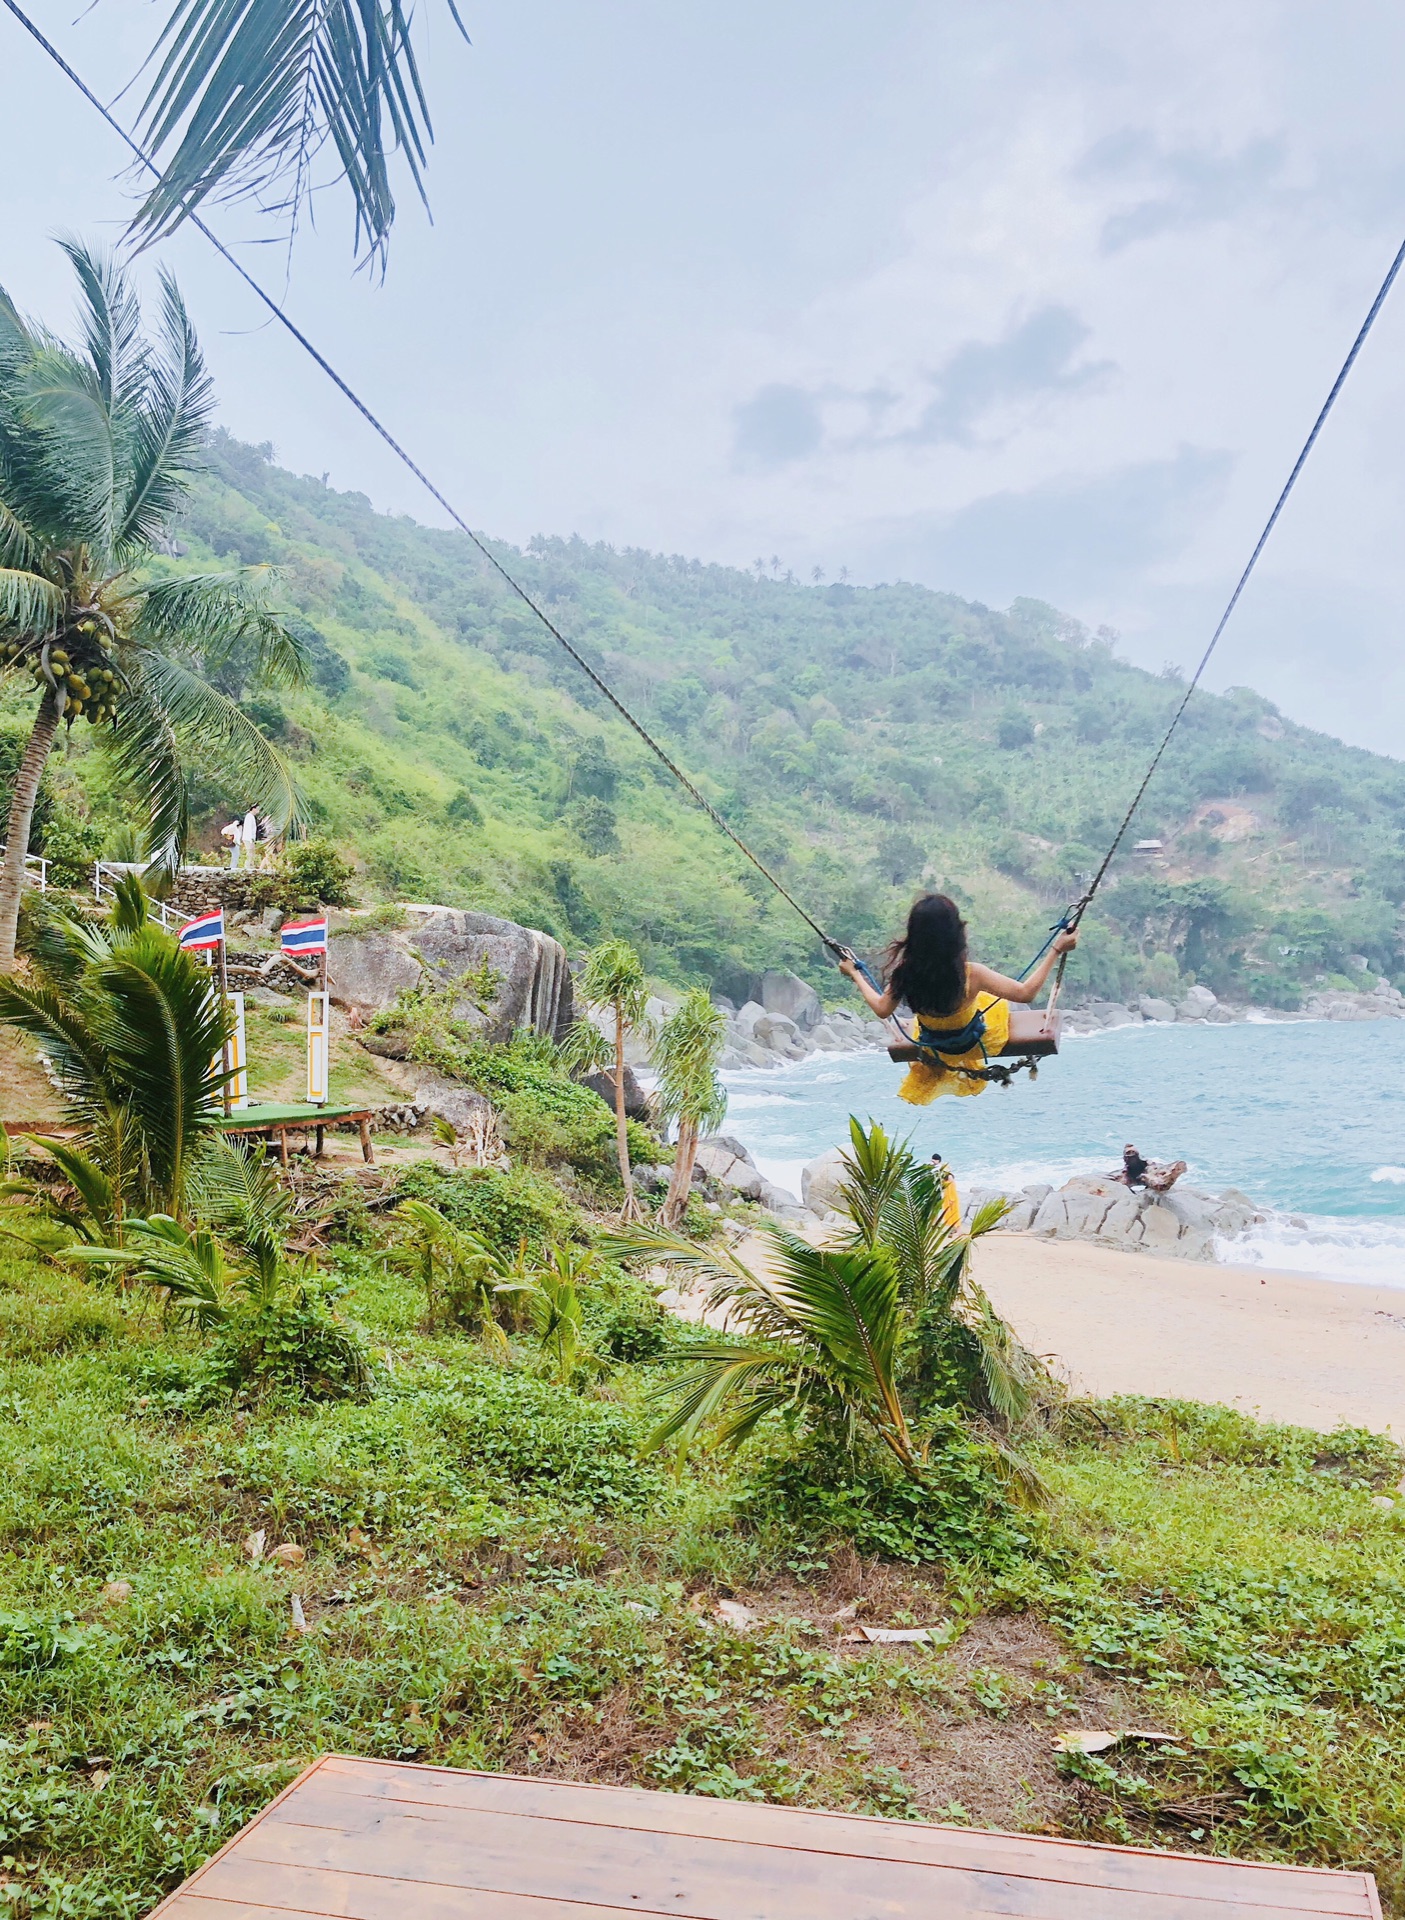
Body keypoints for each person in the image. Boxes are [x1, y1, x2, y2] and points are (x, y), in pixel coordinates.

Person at [839, 892, 1077, 1104]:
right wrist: (1056, 949)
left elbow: (882, 1009)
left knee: (954, 1014)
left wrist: (855, 974)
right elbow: (1026, 992)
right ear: (956, 934)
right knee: (992, 1004)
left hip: (935, 1046)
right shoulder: (971, 974)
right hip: (972, 1042)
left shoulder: (906, 974)